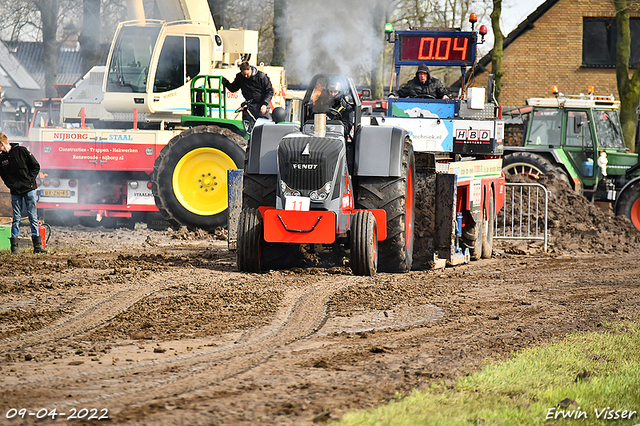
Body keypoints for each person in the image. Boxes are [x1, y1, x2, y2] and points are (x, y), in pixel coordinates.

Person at [0, 133, 46, 254]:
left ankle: (37, 246)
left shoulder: (22, 151)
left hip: (29, 190)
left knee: (33, 217)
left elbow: (35, 166)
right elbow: (3, 175)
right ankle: (14, 247)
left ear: (1, 144)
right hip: (15, 191)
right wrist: (11, 185)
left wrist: (29, 181)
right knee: (16, 218)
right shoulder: (2, 159)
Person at [222, 61, 274, 132]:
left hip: (261, 105)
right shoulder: (240, 77)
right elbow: (233, 88)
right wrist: (226, 83)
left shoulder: (261, 76)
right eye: (244, 75)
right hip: (249, 106)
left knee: (264, 127)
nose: (246, 76)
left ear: (250, 69)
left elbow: (269, 91)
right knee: (247, 128)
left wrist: (265, 104)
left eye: (247, 74)